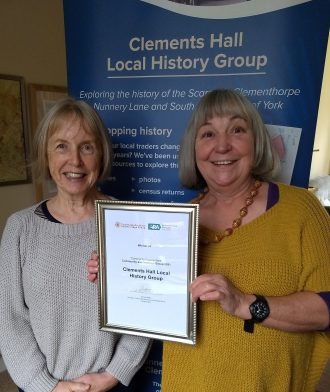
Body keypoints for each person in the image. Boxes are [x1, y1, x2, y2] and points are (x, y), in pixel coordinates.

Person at [87, 89, 330, 391]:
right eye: (208, 134)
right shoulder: (175, 222)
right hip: (188, 382)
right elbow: (152, 305)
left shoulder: (301, 210)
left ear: (256, 141)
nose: (222, 145)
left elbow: (326, 308)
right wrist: (118, 277)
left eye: (237, 130)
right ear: (194, 149)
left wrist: (244, 303)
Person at [0, 97, 151, 392]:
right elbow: (10, 321)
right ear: (46, 154)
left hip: (112, 386)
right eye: (61, 146)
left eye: (87, 147)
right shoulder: (19, 229)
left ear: (102, 154)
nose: (75, 161)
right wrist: (48, 387)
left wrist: (111, 375)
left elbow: (144, 312)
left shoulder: (129, 222)